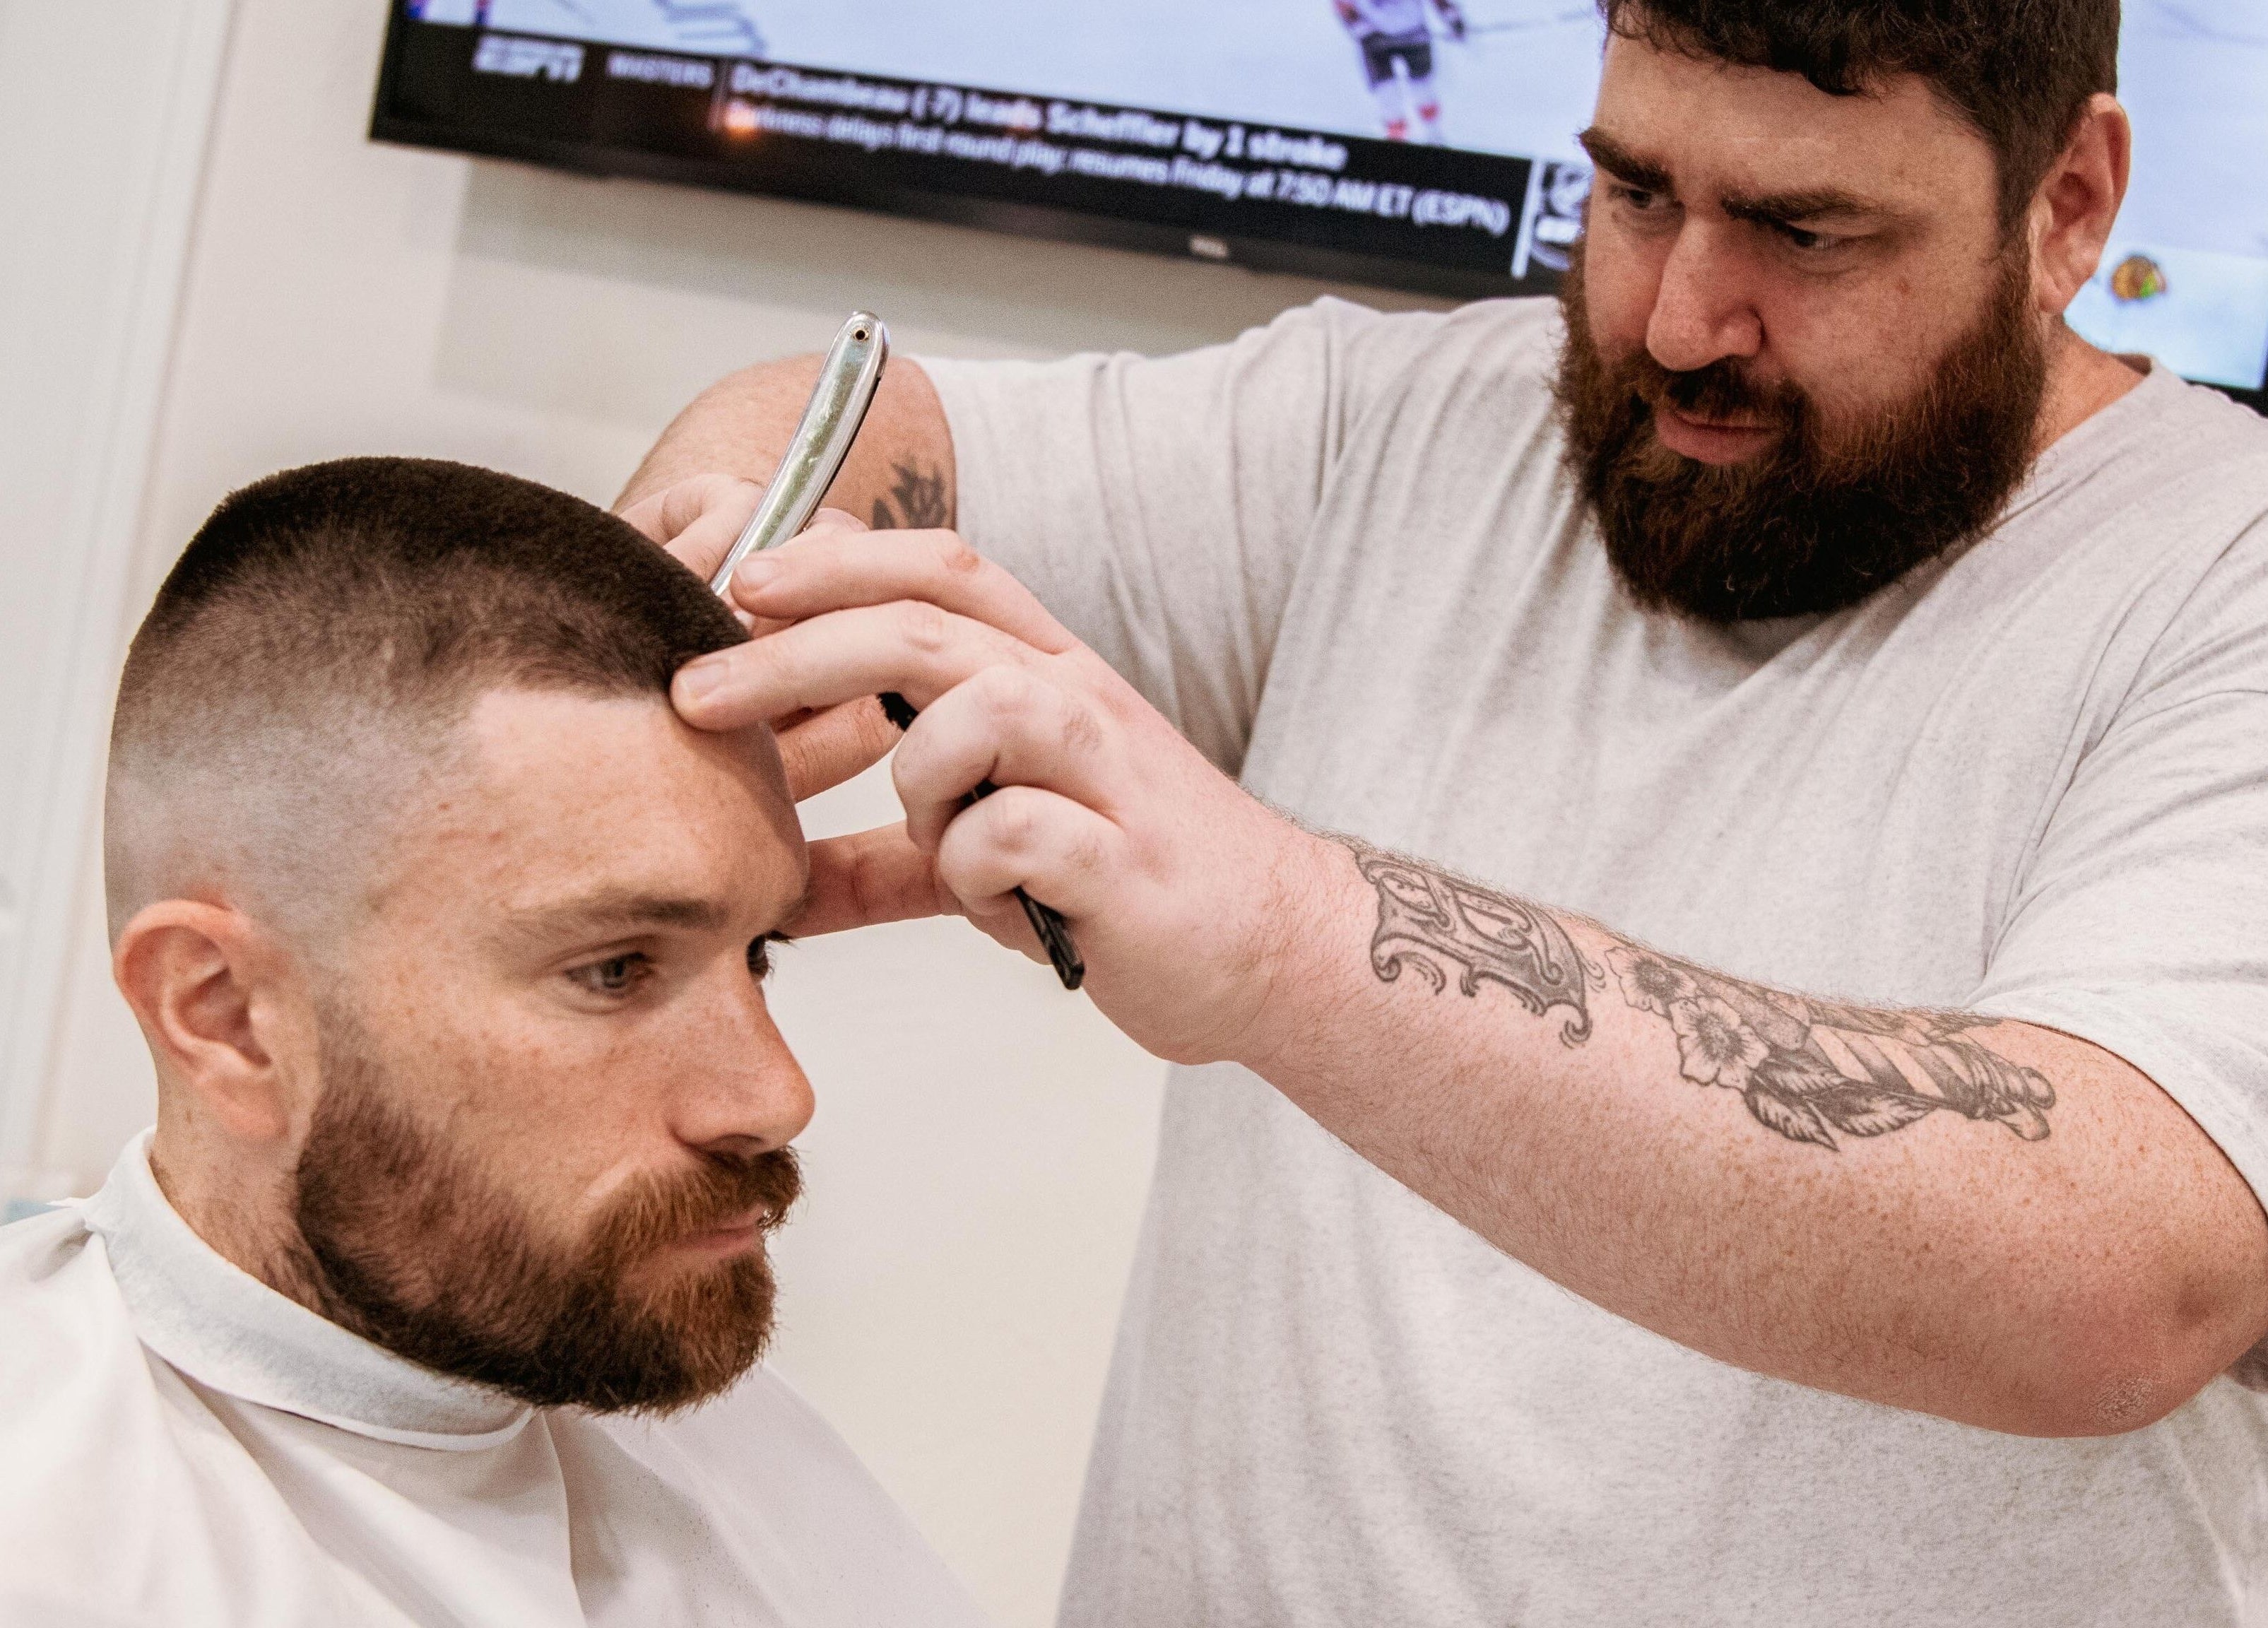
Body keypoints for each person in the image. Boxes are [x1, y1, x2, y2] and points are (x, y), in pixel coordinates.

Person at [622, 0, 2268, 1622]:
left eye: (1803, 231)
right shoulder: (1410, 426)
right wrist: (662, 609)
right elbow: (874, 425)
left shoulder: (2220, 582)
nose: (1682, 319)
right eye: (1631, 192)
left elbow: (2110, 1271)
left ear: (2067, 207)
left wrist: (1279, 935)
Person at [0, 459, 990, 1627]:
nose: (775, 1093)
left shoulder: (732, 1456)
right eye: (614, 968)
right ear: (226, 1016)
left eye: (760, 949)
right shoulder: (50, 1541)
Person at [1331, 0, 1467, 143]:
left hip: (1414, 34)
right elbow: (1342, 4)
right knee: (1388, 96)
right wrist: (1359, 27)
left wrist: (1453, 18)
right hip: (1375, 42)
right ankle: (1396, 147)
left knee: (1423, 90)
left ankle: (1434, 137)